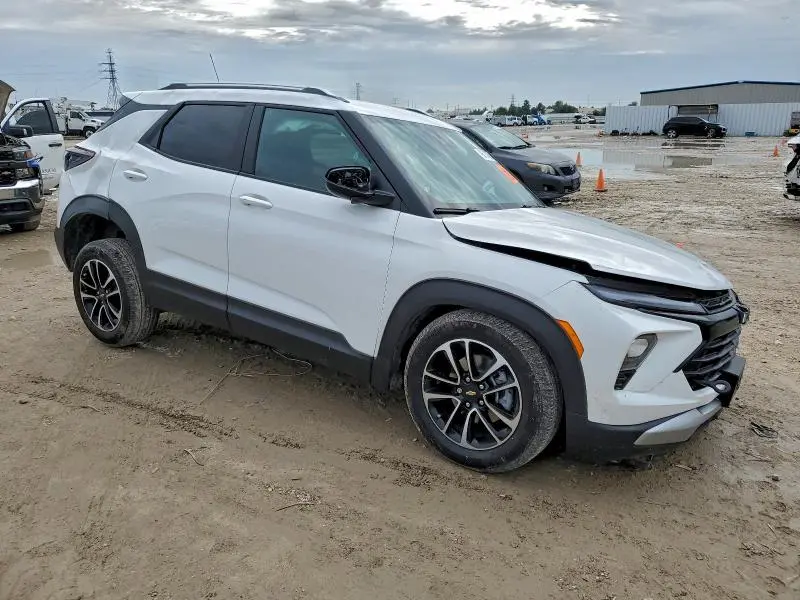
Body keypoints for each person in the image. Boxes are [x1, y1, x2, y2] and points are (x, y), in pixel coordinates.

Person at [785, 135, 800, 201]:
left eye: (794, 146)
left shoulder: (798, 153)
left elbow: (792, 164)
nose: (792, 148)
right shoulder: (797, 153)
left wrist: (787, 171)